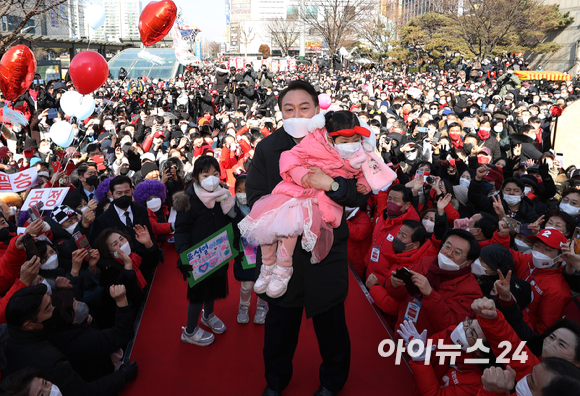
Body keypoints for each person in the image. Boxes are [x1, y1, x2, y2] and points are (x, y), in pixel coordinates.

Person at [246, 80, 369, 396]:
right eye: (289, 109)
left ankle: (332, 382)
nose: (297, 114)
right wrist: (294, 205)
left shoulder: (341, 141)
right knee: (279, 329)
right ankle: (275, 383)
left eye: (304, 107)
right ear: (281, 113)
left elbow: (358, 196)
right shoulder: (268, 148)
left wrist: (332, 187)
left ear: (317, 109)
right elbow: (256, 195)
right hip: (283, 254)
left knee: (331, 325)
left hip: (326, 253)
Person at [240, 110, 392, 298]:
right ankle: (268, 264)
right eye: (344, 141)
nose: (351, 145)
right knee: (269, 226)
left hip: (320, 201)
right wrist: (300, 175)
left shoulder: (360, 153)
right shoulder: (313, 143)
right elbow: (290, 157)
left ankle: (283, 270)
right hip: (295, 190)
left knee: (290, 229)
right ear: (330, 138)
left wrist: (363, 183)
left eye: (355, 139)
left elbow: (366, 173)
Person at [2, 284, 138, 396]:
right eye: (48, 308)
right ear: (29, 325)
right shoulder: (49, 360)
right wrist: (123, 375)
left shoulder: (13, 336)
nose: (54, 309)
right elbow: (84, 392)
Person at [173, 155, 234, 347]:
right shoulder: (187, 199)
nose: (211, 178)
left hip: (219, 252)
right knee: (198, 294)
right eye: (205, 174)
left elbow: (231, 219)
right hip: (197, 256)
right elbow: (181, 230)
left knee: (214, 287)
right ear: (196, 177)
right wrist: (184, 254)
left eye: (215, 174)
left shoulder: (223, 195)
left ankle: (208, 316)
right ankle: (190, 331)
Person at [231, 175, 269, 325]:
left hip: (264, 254)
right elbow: (231, 234)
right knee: (246, 285)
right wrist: (235, 251)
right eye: (238, 190)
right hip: (244, 257)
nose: (242, 194)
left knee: (262, 283)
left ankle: (262, 305)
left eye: (246, 190)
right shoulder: (232, 211)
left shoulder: (262, 207)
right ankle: (243, 306)